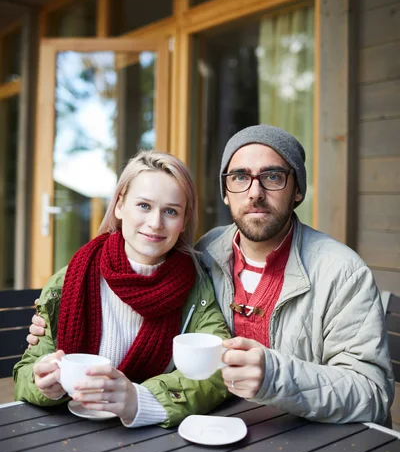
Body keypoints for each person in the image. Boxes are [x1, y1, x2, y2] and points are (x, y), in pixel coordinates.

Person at [27, 126, 395, 426]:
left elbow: (373, 394)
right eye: (239, 177)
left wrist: (275, 374)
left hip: (306, 436)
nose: (255, 192)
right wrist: (47, 321)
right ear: (225, 191)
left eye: (273, 176)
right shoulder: (205, 256)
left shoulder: (342, 272)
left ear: (297, 189)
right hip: (208, 428)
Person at [14, 150, 230, 429]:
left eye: (171, 211)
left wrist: (140, 400)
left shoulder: (197, 287)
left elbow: (217, 372)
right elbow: (25, 375)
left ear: (184, 220)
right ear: (119, 206)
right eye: (143, 206)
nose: (155, 223)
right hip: (70, 432)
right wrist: (45, 386)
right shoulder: (68, 281)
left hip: (158, 439)